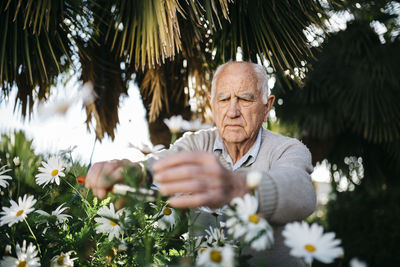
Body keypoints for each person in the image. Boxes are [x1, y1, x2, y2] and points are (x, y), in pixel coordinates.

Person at [85, 61, 316, 266]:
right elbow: (158, 167)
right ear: (212, 104)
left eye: (245, 99)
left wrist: (238, 187)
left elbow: (301, 191)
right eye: (224, 99)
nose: (233, 111)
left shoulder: (288, 149)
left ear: (267, 107)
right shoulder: (197, 143)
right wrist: (130, 171)